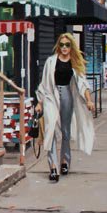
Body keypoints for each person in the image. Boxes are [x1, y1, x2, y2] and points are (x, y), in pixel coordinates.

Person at [36, 33, 96, 183]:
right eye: (61, 44)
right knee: (50, 131)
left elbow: (83, 84)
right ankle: (53, 167)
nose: (64, 47)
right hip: (51, 97)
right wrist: (40, 102)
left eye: (67, 45)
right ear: (58, 45)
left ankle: (65, 161)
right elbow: (44, 84)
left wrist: (89, 100)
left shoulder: (75, 63)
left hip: (67, 96)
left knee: (65, 132)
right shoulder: (51, 62)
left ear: (71, 47)